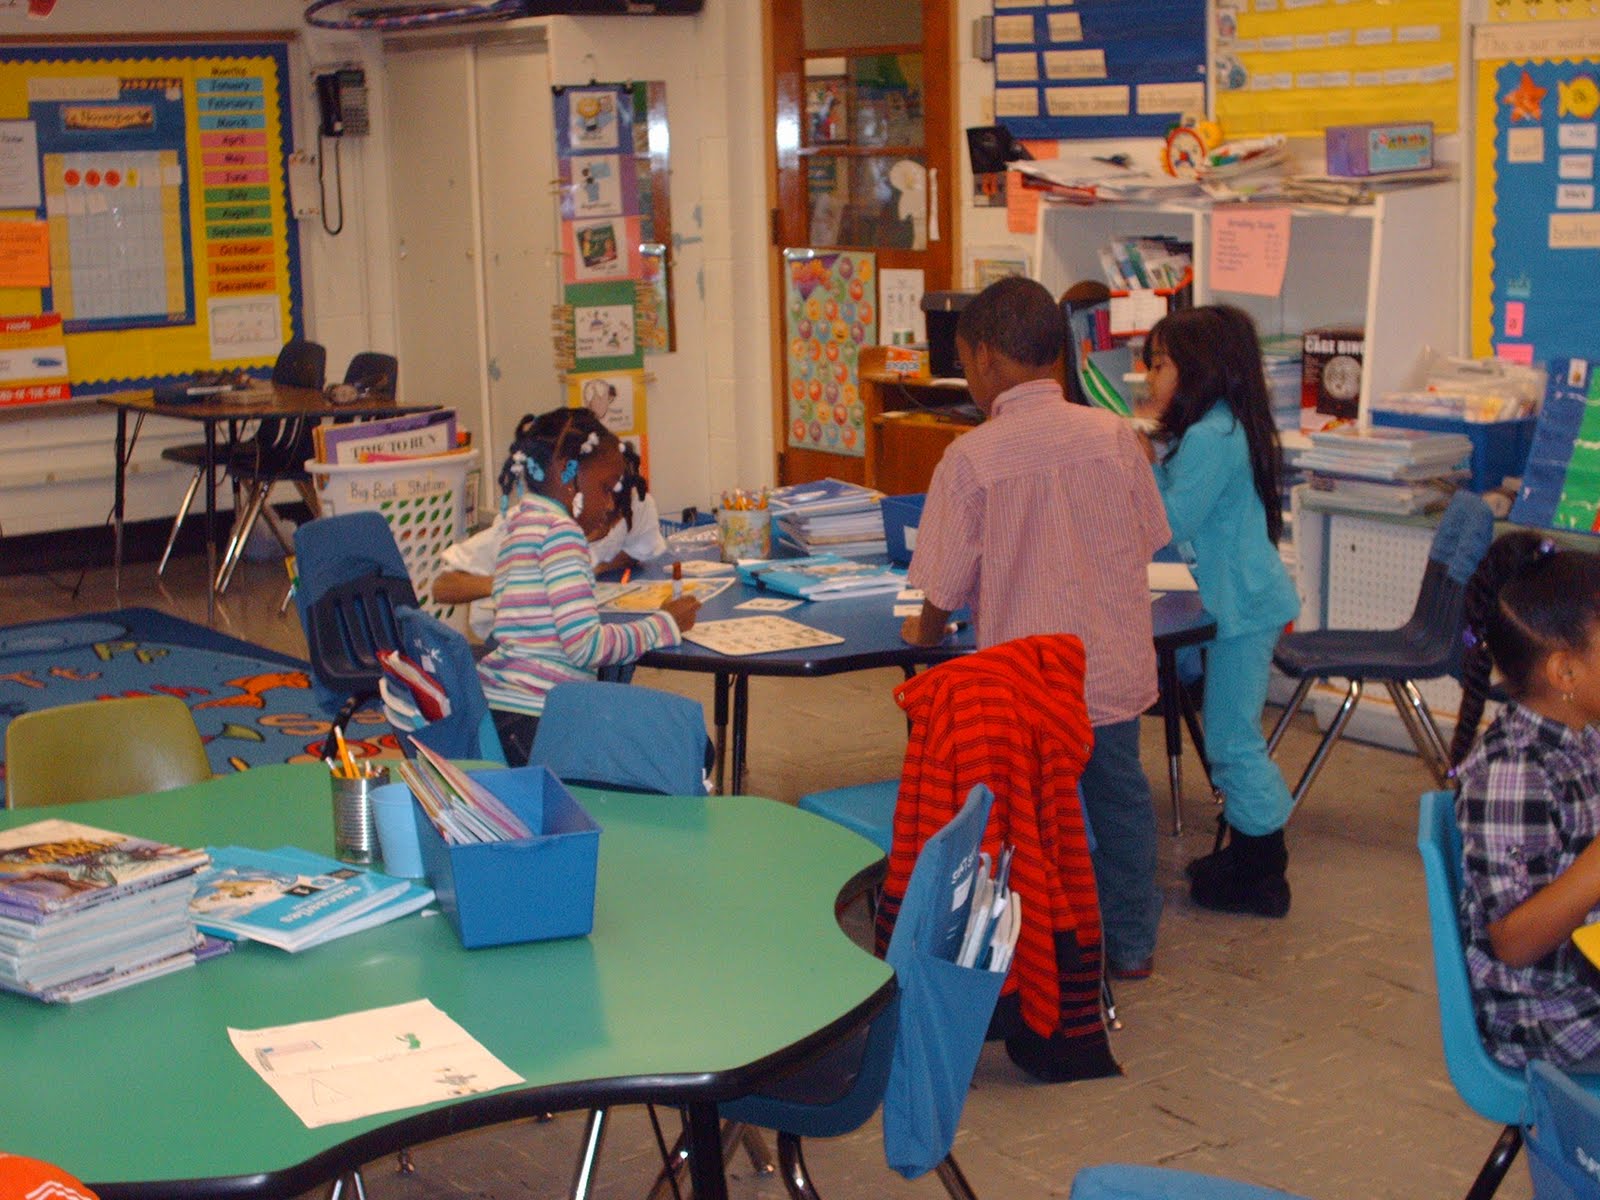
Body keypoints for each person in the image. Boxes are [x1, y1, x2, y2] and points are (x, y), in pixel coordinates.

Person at [901, 275, 1171, 981]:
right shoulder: (1117, 437)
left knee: (1027, 818)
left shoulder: (969, 459)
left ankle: (1038, 946)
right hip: (1107, 664)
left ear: (986, 358)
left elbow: (942, 587)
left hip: (1024, 688)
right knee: (1120, 803)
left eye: (963, 361)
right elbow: (1148, 538)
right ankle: (1133, 943)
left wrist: (922, 637)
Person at [1136, 305, 1300, 918]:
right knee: (1233, 734)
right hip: (1240, 601)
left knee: (1233, 741)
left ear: (1197, 369)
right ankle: (1250, 853)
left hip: (1242, 608)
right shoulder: (1224, 426)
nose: (1149, 378)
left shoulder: (1211, 437)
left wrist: (1145, 466)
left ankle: (1264, 874)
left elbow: (1170, 524)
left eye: (1159, 364)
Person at [1450, 532, 1600, 1069]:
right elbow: (1514, 944)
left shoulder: (1582, 732)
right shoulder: (1514, 772)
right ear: (1564, 672)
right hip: (1547, 1013)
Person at [474, 407, 698, 765]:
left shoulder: (521, 523)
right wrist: (665, 624)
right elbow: (585, 647)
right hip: (544, 723)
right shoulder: (561, 534)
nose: (610, 503)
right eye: (606, 488)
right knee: (691, 751)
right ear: (567, 472)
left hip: (503, 713)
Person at [434, 432, 667, 642]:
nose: (607, 516)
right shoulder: (525, 525)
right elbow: (442, 587)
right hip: (515, 639)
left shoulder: (637, 503)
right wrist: (515, 582)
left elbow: (640, 550)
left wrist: (595, 566)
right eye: (601, 500)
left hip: (582, 623)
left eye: (616, 514)